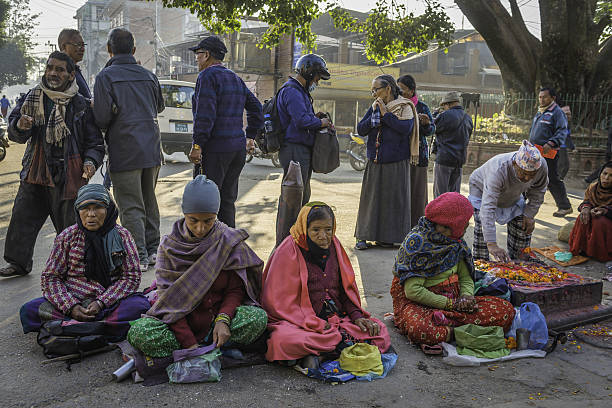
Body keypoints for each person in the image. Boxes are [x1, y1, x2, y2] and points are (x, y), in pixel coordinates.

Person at [127, 176, 267, 357]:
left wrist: (223, 320)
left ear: (216, 216)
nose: (200, 228)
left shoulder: (226, 240)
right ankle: (213, 350)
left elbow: (235, 290)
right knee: (141, 333)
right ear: (184, 214)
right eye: (193, 220)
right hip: (178, 324)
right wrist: (189, 343)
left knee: (258, 319)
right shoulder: (170, 247)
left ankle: (211, 345)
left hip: (218, 321)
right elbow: (169, 302)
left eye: (208, 221)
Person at [0, 51, 104, 278]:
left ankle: (74, 268)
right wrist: (20, 124)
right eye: (50, 68)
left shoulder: (81, 105)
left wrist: (90, 161)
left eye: (59, 69)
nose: (53, 73)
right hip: (36, 171)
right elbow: (14, 134)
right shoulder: (32, 97)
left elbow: (95, 143)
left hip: (68, 174)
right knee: (22, 217)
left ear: (70, 74)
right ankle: (17, 262)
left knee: (70, 229)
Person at [262, 202, 391, 368]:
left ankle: (319, 354)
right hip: (301, 323)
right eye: (316, 230)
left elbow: (345, 290)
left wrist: (357, 316)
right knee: (282, 340)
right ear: (304, 228)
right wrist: (316, 323)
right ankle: (336, 349)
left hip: (337, 320)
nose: (323, 236)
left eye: (328, 229)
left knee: (378, 330)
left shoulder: (335, 247)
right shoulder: (288, 251)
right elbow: (279, 305)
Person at [19, 184, 150, 340]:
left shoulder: (122, 236)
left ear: (109, 210)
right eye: (85, 209)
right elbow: (50, 277)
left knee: (139, 306)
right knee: (29, 310)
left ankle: (71, 328)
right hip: (73, 300)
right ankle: (99, 327)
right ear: (77, 211)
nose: (91, 214)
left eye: (97, 208)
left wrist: (102, 302)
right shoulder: (67, 237)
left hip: (110, 302)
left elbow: (131, 277)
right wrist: (71, 307)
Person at [390, 192, 515, 349]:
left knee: (506, 310)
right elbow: (413, 291)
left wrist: (466, 297)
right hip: (420, 304)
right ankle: (461, 333)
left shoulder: (456, 244)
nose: (464, 228)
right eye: (462, 225)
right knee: (419, 328)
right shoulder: (418, 243)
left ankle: (449, 330)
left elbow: (466, 278)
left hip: (453, 305)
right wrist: (451, 304)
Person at [93, 28, 165, 271]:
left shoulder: (105, 77)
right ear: (133, 50)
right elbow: (160, 107)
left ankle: (139, 256)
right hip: (152, 148)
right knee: (148, 199)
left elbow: (101, 118)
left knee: (131, 204)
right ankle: (154, 250)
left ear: (109, 50)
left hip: (125, 149)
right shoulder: (149, 76)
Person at [187, 36, 263, 227]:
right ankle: (230, 246)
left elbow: (205, 115)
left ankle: (209, 250)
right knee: (227, 202)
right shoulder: (234, 78)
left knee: (206, 202)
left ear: (207, 55)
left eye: (198, 54)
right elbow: (256, 108)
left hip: (215, 150)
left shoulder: (207, 77)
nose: (196, 58)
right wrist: (250, 137)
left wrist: (197, 145)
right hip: (236, 150)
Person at [354, 74, 417, 250]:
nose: (373, 94)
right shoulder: (375, 106)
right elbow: (361, 129)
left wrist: (385, 115)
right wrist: (376, 114)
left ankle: (387, 238)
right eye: (372, 90)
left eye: (376, 90)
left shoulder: (405, 106)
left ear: (388, 88)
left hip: (396, 161)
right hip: (375, 160)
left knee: (392, 201)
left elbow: (405, 129)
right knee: (370, 201)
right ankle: (363, 236)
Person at [468, 140, 548, 262]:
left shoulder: (541, 166)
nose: (527, 178)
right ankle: (481, 267)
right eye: (523, 173)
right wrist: (492, 244)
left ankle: (518, 263)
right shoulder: (498, 169)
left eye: (531, 175)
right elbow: (488, 207)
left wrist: (530, 214)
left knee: (523, 227)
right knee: (482, 233)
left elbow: (538, 191)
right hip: (482, 192)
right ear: (515, 164)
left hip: (512, 195)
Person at [276, 54, 332, 207]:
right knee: (294, 197)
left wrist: (314, 117)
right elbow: (301, 120)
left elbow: (300, 117)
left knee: (302, 195)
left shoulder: (300, 92)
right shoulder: (292, 91)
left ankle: (296, 229)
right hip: (294, 149)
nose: (317, 82)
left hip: (300, 149)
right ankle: (289, 231)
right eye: (317, 78)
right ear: (309, 73)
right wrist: (321, 122)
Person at [397, 74, 436, 226]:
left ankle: (416, 225)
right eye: (398, 89)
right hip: (399, 154)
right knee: (400, 192)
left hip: (418, 156)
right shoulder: (395, 105)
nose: (400, 92)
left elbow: (432, 130)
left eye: (403, 89)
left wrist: (425, 124)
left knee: (417, 193)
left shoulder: (422, 107)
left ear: (411, 91)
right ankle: (400, 226)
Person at [529, 87, 571, 217]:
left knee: (552, 179)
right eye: (540, 97)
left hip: (549, 152)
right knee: (528, 176)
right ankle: (521, 202)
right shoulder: (541, 111)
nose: (541, 99)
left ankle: (565, 206)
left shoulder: (558, 113)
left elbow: (562, 131)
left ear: (553, 98)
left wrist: (550, 143)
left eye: (545, 97)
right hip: (535, 151)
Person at [432, 91, 473, 198]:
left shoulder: (445, 116)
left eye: (444, 106)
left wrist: (434, 115)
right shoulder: (468, 118)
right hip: (459, 161)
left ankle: (440, 215)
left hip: (444, 160)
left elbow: (431, 128)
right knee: (454, 197)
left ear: (448, 104)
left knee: (440, 197)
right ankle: (452, 215)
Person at [569, 161, 612, 262]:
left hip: (607, 221)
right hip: (595, 216)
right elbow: (586, 201)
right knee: (583, 217)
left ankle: (599, 253)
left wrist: (604, 210)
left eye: (611, 176)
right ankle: (583, 249)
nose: (606, 178)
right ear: (600, 174)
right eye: (604, 174)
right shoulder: (593, 187)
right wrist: (586, 208)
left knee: (600, 221)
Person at [58, 28, 91, 99]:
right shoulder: (62, 73)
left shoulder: (74, 69)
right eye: (78, 45)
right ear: (64, 47)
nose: (82, 49)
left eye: (83, 45)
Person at [557, 105, 575, 181]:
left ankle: (556, 181)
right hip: (559, 147)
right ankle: (556, 181)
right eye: (567, 114)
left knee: (562, 166)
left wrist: (572, 147)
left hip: (561, 147)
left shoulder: (566, 124)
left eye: (569, 114)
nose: (569, 116)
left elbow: (568, 136)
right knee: (564, 166)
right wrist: (572, 147)